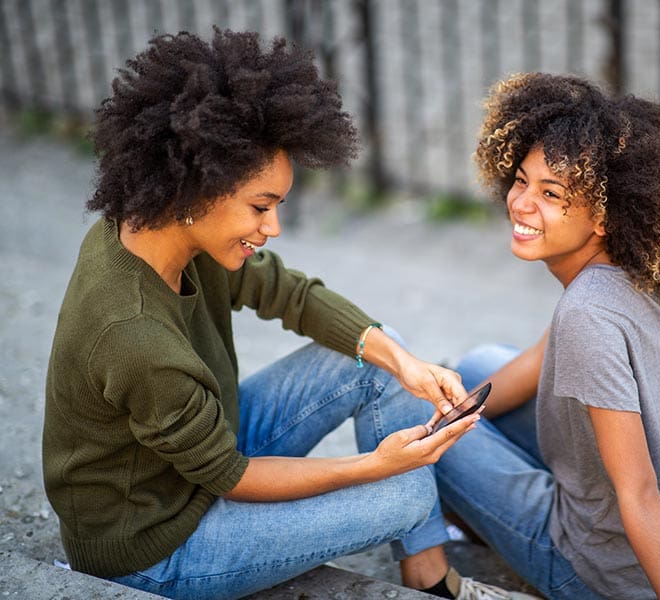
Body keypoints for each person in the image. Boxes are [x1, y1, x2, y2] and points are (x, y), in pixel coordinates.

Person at [42, 29, 534, 600]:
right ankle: (404, 515)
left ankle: (431, 583)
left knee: (381, 353)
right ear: (194, 188)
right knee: (404, 495)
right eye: (261, 207)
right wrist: (374, 466)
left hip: (197, 455)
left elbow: (288, 294)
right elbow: (231, 476)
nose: (271, 228)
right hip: (157, 544)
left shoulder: (157, 228)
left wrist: (407, 364)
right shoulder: (134, 336)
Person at [426, 73, 660, 599]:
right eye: (521, 180)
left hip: (594, 571)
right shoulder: (648, 263)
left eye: (551, 193)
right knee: (473, 371)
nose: (520, 204)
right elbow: (541, 359)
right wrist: (457, 416)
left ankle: (429, 580)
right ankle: (470, 508)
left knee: (402, 414)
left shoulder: (587, 313)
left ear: (606, 216)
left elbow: (637, 491)